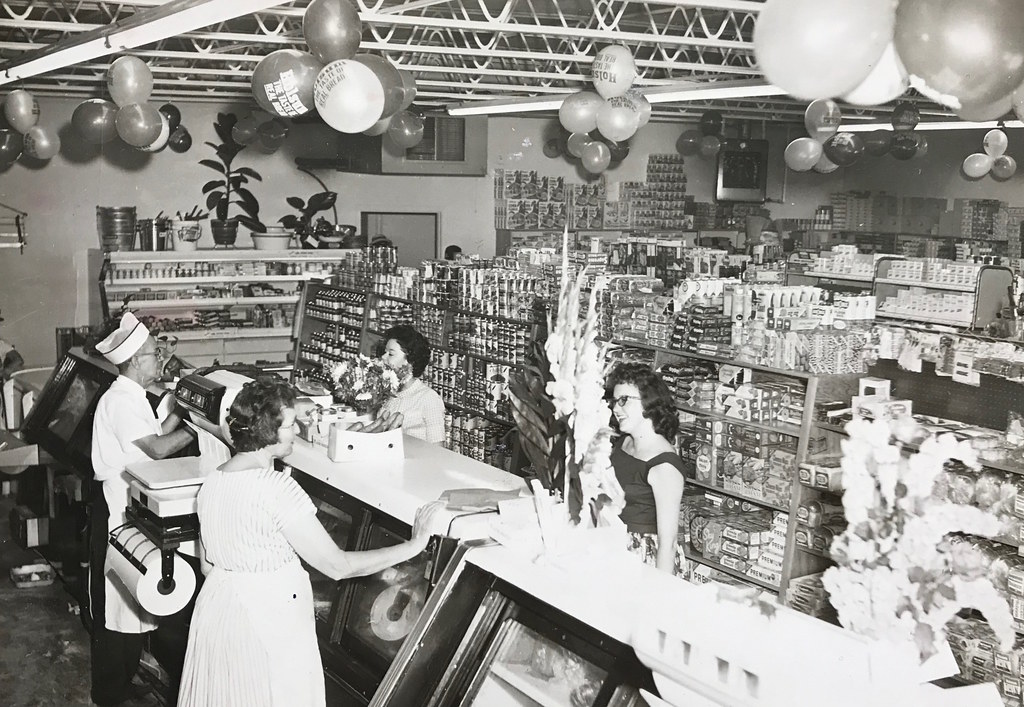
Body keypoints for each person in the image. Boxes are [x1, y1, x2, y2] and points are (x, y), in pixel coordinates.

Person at [177, 376, 444, 707]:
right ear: (267, 432)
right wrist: (414, 545)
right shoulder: (276, 488)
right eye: (290, 424)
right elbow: (337, 566)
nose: (298, 429)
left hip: (218, 616)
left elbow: (207, 565)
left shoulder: (213, 481)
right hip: (268, 624)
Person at [91, 312, 197, 706]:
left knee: (134, 610)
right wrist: (201, 429)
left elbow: (156, 432)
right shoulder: (119, 401)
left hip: (133, 512)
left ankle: (119, 684)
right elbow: (155, 448)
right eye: (155, 353)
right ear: (136, 360)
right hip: (121, 514)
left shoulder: (132, 396)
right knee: (121, 614)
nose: (160, 359)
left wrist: (188, 410)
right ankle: (108, 694)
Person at [606, 362, 687, 575]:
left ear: (648, 401)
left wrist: (658, 593)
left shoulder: (664, 465)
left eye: (624, 400)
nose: (616, 408)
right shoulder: (623, 443)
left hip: (642, 560)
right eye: (614, 401)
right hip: (611, 547)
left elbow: (668, 544)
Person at [377, 325, 446, 444]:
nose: (383, 357)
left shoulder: (428, 398)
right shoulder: (388, 391)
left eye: (391, 354)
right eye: (385, 352)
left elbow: (438, 448)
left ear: (410, 360)